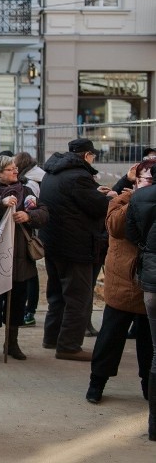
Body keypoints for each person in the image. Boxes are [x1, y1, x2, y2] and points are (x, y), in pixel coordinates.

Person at [85, 159, 155, 404]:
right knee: (110, 338)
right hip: (123, 281)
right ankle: (97, 383)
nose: (151, 183)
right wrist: (137, 199)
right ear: (136, 180)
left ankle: (149, 387)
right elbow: (115, 227)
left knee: (148, 343)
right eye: (147, 178)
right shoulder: (122, 201)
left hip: (149, 283)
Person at [39, 139, 115, 361]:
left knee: (57, 295)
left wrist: (96, 192)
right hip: (76, 246)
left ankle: (52, 338)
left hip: (54, 243)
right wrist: (109, 197)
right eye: (93, 156)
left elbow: (74, 200)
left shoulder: (54, 172)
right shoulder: (79, 176)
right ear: (87, 155)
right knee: (77, 298)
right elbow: (97, 207)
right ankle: (69, 346)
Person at [0, 155, 48, 362]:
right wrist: (0, 203)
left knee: (17, 303)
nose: (15, 171)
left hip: (21, 257)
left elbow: (43, 213)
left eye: (15, 168)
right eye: (10, 169)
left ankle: (12, 343)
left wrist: (29, 216)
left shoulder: (26, 191)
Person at [126, 168, 156, 441]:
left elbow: (130, 231)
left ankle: (154, 427)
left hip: (149, 279)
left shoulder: (139, 197)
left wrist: (146, 249)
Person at [13, 151, 46, 327]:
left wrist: (26, 216)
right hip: (34, 229)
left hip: (28, 232)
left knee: (30, 274)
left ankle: (29, 310)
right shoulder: (39, 177)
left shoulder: (30, 183)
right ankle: (29, 309)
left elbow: (31, 206)